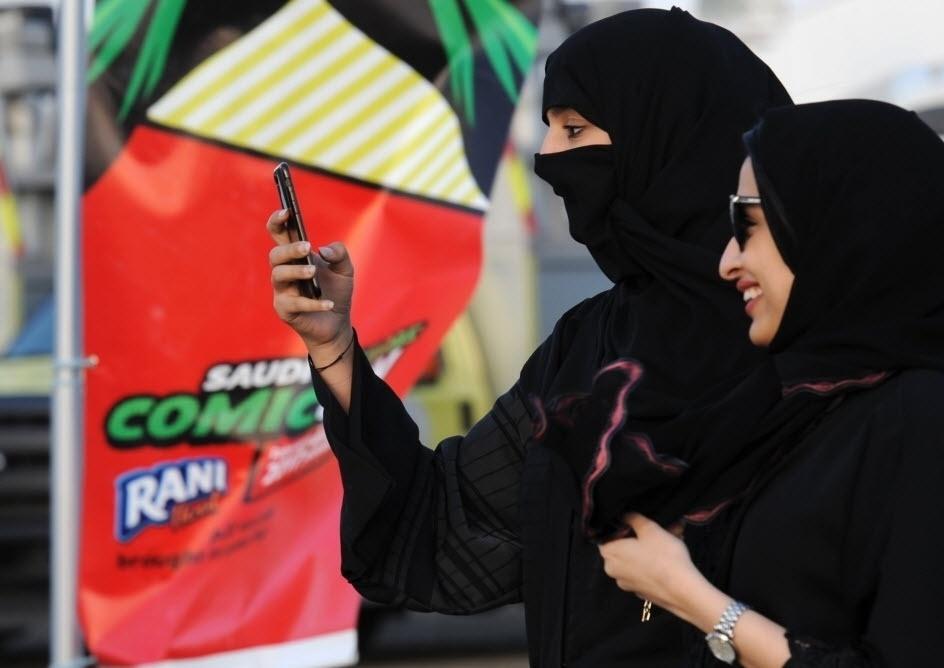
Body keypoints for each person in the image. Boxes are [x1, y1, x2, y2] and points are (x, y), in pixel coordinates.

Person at [267, 7, 791, 666]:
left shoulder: (823, 361)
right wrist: (336, 349)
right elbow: (444, 529)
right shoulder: (590, 349)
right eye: (547, 130)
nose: (547, 159)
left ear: (663, 136)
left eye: (574, 129)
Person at [594, 99, 944, 666]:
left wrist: (695, 600)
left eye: (748, 224)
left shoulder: (924, 420)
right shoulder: (786, 410)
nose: (726, 262)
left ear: (839, 226)